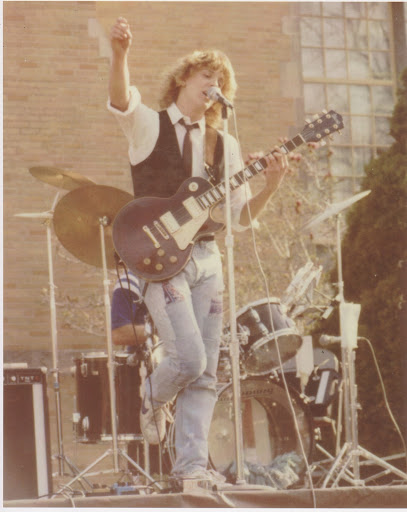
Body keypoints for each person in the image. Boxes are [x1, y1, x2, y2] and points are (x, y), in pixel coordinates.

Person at [108, 16, 288, 486]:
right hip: (160, 260)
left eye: (221, 80)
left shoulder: (223, 143)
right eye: (207, 75)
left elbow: (241, 216)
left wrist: (272, 183)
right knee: (188, 359)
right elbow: (122, 103)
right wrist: (121, 54)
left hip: (207, 259)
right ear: (185, 78)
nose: (214, 84)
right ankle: (151, 395)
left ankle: (191, 468)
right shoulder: (151, 126)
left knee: (207, 371)